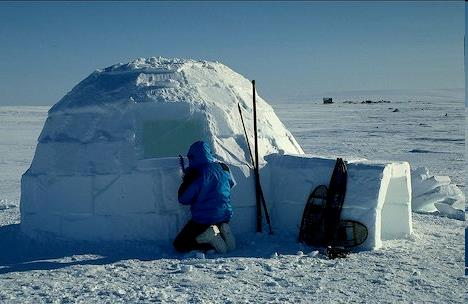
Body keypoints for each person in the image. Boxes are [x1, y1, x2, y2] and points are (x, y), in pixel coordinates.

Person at [173, 141, 236, 253]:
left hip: (204, 220)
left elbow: (183, 199)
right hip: (225, 215)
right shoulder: (223, 167)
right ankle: (224, 235)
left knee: (179, 244)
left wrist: (186, 180)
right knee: (217, 222)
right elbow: (231, 184)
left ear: (192, 157)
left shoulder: (196, 174)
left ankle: (211, 242)